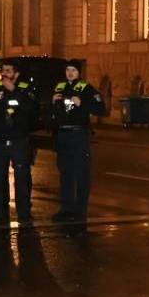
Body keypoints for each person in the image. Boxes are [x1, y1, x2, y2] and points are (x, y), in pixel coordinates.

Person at [0, 60, 37, 228]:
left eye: (8, 71)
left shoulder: (25, 89)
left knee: (22, 178)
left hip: (19, 140)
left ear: (16, 73)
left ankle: (24, 214)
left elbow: (32, 110)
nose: (5, 74)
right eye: (3, 71)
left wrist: (15, 92)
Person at [51, 59, 106, 223]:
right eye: (68, 70)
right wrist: (53, 102)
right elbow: (53, 113)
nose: (70, 73)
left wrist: (82, 103)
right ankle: (66, 209)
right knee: (65, 173)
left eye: (73, 70)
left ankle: (80, 211)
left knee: (81, 173)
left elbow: (101, 109)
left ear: (79, 73)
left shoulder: (86, 88)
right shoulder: (60, 88)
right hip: (63, 134)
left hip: (78, 134)